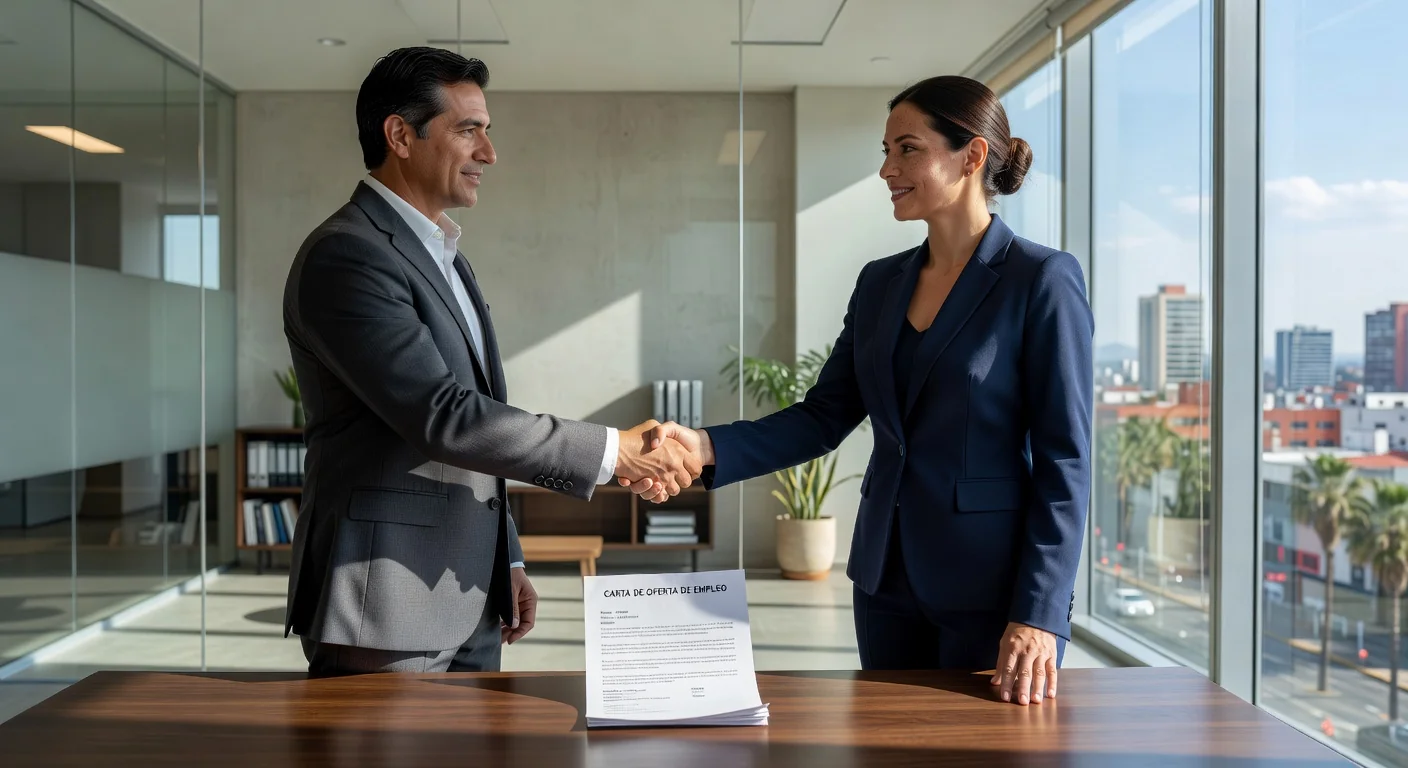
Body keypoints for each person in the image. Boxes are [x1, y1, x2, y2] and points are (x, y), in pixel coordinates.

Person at [627, 75, 1093, 706]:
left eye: (907, 149)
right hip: (883, 581)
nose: (886, 170)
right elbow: (825, 416)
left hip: (993, 592)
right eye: (884, 151)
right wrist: (703, 446)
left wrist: (1040, 611)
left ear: (973, 156)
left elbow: (1067, 459)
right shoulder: (880, 284)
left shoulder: (1042, 280)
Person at [282, 48, 699, 675]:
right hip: (385, 603)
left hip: (472, 595)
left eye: (487, 130)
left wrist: (506, 559)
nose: (489, 152)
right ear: (400, 134)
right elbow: (445, 418)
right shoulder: (348, 255)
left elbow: (484, 415)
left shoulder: (445, 256)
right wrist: (616, 452)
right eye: (468, 129)